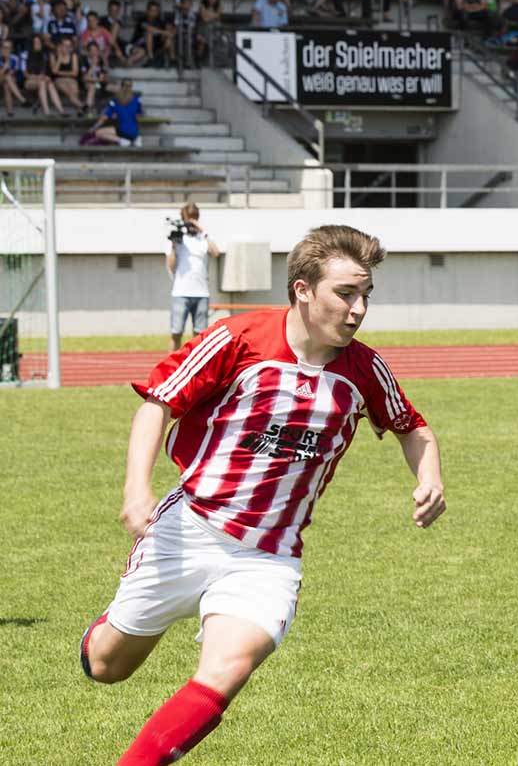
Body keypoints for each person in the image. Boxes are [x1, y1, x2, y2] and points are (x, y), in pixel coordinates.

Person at [80, 226, 446, 766]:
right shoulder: (236, 339)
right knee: (108, 665)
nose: (359, 309)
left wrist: (429, 476)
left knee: (228, 668)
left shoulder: (363, 369)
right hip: (188, 531)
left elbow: (411, 427)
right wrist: (137, 487)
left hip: (268, 557)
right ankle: (104, 634)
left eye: (366, 295)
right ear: (303, 290)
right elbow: (157, 403)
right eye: (345, 293)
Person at [166, 204, 224, 352]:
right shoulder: (178, 238)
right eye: (188, 219)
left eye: (194, 218)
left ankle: (197, 369)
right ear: (183, 219)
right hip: (181, 293)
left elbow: (216, 253)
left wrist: (203, 231)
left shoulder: (203, 238)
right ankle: (170, 370)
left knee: (200, 334)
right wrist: (173, 246)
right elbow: (171, 266)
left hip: (201, 293)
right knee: (176, 332)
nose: (191, 222)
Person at [92, 79, 143, 146]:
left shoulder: (115, 101)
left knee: (98, 133)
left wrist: (93, 128)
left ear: (121, 87)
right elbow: (139, 115)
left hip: (122, 130)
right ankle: (136, 139)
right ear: (131, 87)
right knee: (127, 128)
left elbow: (104, 118)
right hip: (135, 131)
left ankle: (122, 141)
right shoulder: (137, 100)